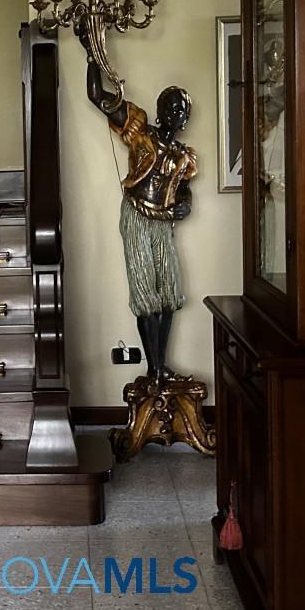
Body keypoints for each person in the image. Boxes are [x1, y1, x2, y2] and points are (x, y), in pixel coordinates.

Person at [87, 58, 197, 383]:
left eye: (182, 110)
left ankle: (161, 366)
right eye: (171, 107)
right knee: (145, 294)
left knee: (169, 294)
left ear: (186, 118)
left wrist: (185, 206)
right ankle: (154, 370)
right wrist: (93, 56)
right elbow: (96, 95)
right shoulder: (141, 135)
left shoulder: (183, 156)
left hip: (163, 221)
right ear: (160, 111)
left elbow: (184, 190)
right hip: (137, 214)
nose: (176, 113)